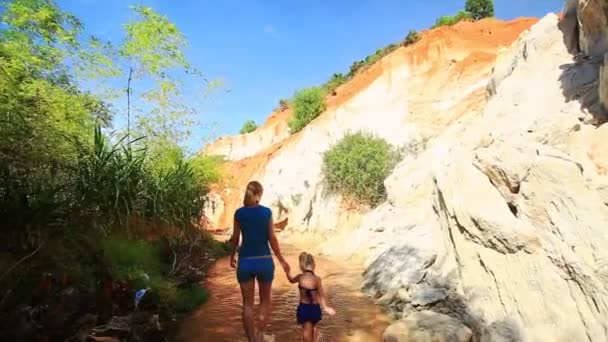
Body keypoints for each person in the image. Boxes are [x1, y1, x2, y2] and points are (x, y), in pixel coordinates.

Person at [229, 180, 290, 342]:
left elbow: (235, 238)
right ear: (258, 195)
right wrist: (282, 260)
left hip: (245, 261)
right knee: (264, 303)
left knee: (247, 305)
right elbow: (272, 239)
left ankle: (252, 340)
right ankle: (260, 335)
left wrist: (231, 256)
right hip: (264, 261)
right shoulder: (266, 213)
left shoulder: (239, 213)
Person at [285, 252, 335, 342]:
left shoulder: (300, 277)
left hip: (304, 309)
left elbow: (291, 280)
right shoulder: (317, 279)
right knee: (313, 327)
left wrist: (287, 272)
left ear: (301, 265)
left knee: (306, 334)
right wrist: (326, 307)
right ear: (313, 264)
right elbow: (321, 295)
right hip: (315, 309)